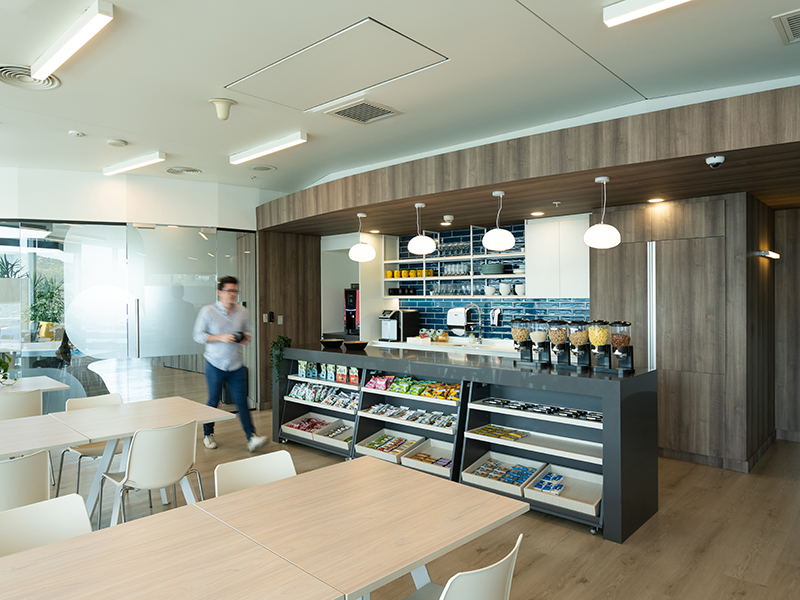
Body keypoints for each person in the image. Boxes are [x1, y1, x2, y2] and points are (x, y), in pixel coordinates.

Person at [193, 276, 267, 452]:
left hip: (236, 365)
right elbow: (198, 336)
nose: (232, 294)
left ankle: (251, 437)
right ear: (220, 292)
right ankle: (208, 434)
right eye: (228, 291)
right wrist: (221, 338)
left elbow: (248, 333)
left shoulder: (242, 311)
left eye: (234, 291)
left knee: (241, 402)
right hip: (214, 364)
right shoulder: (208, 311)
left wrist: (244, 338)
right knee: (213, 401)